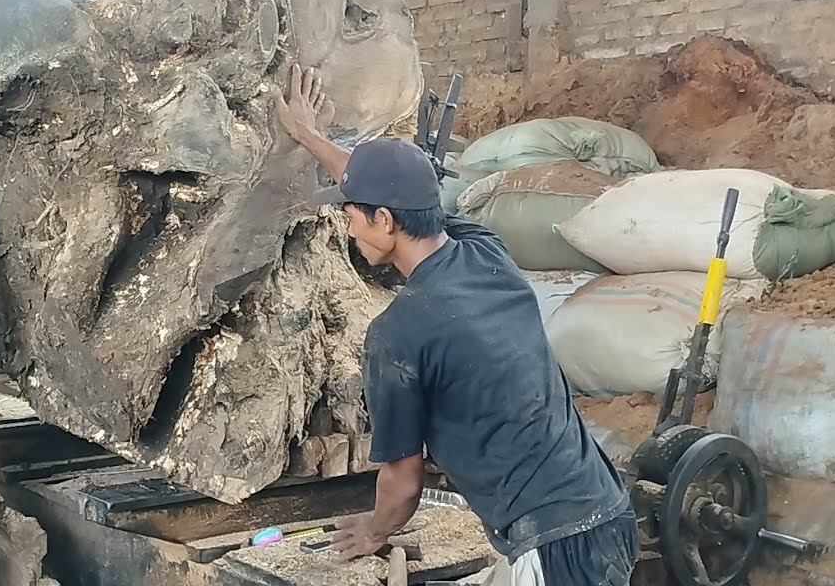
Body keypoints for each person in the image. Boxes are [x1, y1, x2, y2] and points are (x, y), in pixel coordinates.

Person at [270, 64, 639, 586]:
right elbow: (394, 192)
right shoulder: (486, 251)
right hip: (605, 512)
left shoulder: (397, 336)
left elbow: (403, 479)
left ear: (384, 221)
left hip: (555, 551)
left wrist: (375, 532)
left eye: (351, 213)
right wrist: (308, 137)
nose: (346, 224)